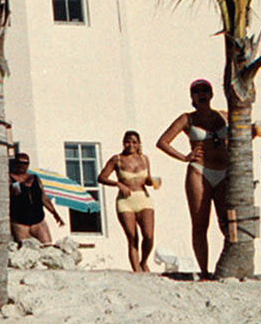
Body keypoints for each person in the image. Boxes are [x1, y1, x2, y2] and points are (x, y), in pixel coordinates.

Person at [156, 78, 232, 278]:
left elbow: (242, 135)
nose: (202, 94)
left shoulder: (224, 116)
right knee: (200, 223)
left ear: (211, 94)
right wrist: (184, 157)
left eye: (205, 91)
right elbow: (162, 142)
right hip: (199, 171)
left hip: (223, 171)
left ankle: (229, 265)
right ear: (192, 97)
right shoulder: (187, 119)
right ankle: (205, 271)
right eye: (197, 92)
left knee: (228, 222)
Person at [97, 130, 160, 271]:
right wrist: (118, 184)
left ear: (138, 144)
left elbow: (147, 179)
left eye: (133, 142)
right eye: (127, 141)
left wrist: (152, 181)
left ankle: (144, 261)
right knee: (132, 237)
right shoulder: (117, 159)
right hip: (126, 201)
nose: (130, 145)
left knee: (149, 236)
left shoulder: (144, 159)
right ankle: (136, 270)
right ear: (123, 143)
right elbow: (101, 177)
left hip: (143, 198)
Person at [7, 153, 63, 244]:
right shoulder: (9, 178)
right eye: (19, 162)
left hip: (38, 220)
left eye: (25, 163)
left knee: (47, 246)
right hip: (20, 221)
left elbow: (44, 198)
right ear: (15, 163)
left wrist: (55, 213)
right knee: (24, 249)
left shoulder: (35, 178)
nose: (22, 165)